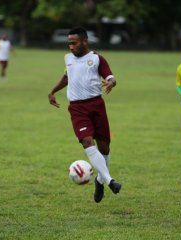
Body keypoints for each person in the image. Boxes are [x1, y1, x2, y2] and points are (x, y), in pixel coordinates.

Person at [48, 26, 121, 203]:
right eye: (69, 43)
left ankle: (99, 180)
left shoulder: (97, 59)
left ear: (84, 41)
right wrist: (52, 91)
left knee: (104, 148)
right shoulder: (68, 59)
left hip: (96, 105)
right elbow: (67, 77)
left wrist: (112, 82)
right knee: (87, 142)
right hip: (77, 108)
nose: (71, 47)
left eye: (74, 43)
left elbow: (110, 76)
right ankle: (110, 181)